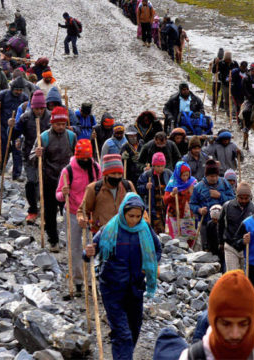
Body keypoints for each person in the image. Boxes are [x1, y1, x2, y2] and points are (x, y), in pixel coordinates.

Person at [84, 193, 162, 360]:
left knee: (134, 330)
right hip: (112, 288)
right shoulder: (110, 228)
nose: (134, 220)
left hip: (135, 287)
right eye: (130, 216)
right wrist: (87, 251)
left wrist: (149, 266)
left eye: (138, 216)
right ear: (122, 212)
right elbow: (91, 251)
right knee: (123, 334)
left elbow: (157, 250)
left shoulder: (145, 229)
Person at [56, 139, 100, 296]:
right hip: (73, 212)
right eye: (83, 158)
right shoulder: (68, 171)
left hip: (91, 213)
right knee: (75, 249)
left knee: (91, 248)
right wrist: (64, 193)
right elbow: (58, 195)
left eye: (88, 158)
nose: (86, 161)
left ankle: (90, 281)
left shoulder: (95, 168)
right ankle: (78, 281)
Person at [33, 106, 76, 251]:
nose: (60, 127)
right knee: (49, 212)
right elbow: (31, 158)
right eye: (57, 124)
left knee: (69, 211)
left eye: (63, 124)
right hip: (49, 179)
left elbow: (77, 158)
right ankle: (53, 240)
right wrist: (36, 154)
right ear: (52, 123)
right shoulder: (43, 137)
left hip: (67, 181)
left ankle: (71, 240)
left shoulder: (71, 136)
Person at [16, 90, 51, 224]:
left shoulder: (50, 118)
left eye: (42, 108)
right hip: (29, 154)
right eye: (37, 108)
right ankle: (32, 209)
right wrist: (13, 126)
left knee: (45, 182)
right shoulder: (25, 118)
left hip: (47, 156)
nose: (39, 111)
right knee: (31, 181)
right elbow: (14, 134)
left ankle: (45, 209)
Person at [79, 153, 136, 233]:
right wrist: (82, 218)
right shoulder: (93, 189)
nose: (116, 177)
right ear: (105, 174)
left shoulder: (128, 186)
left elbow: (138, 208)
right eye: (113, 173)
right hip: (101, 234)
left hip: (124, 233)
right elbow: (83, 210)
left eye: (119, 174)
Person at [191, 162, 236, 247]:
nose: (214, 178)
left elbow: (233, 200)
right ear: (206, 175)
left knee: (223, 246)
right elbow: (192, 203)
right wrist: (199, 210)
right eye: (211, 176)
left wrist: (220, 196)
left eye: (216, 176)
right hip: (205, 222)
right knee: (207, 246)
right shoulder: (198, 187)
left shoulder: (224, 183)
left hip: (223, 222)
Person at [220, 181, 254, 272]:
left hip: (246, 247)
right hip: (231, 246)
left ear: (250, 197)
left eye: (246, 198)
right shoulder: (227, 206)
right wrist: (221, 242)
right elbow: (221, 225)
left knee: (244, 278)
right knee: (233, 276)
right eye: (241, 198)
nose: (243, 201)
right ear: (236, 196)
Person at [164, 161, 197, 245]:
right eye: (183, 175)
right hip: (174, 214)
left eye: (187, 175)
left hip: (187, 214)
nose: (186, 178)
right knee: (175, 239)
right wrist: (172, 194)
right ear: (178, 174)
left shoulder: (192, 182)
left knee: (189, 237)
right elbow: (165, 200)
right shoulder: (172, 184)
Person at [137, 152, 171, 234]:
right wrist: (145, 187)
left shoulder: (168, 173)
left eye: (162, 166)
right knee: (157, 231)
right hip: (154, 209)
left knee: (168, 230)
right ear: (153, 166)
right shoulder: (147, 175)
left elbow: (174, 184)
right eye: (158, 166)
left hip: (166, 209)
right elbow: (138, 188)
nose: (160, 168)